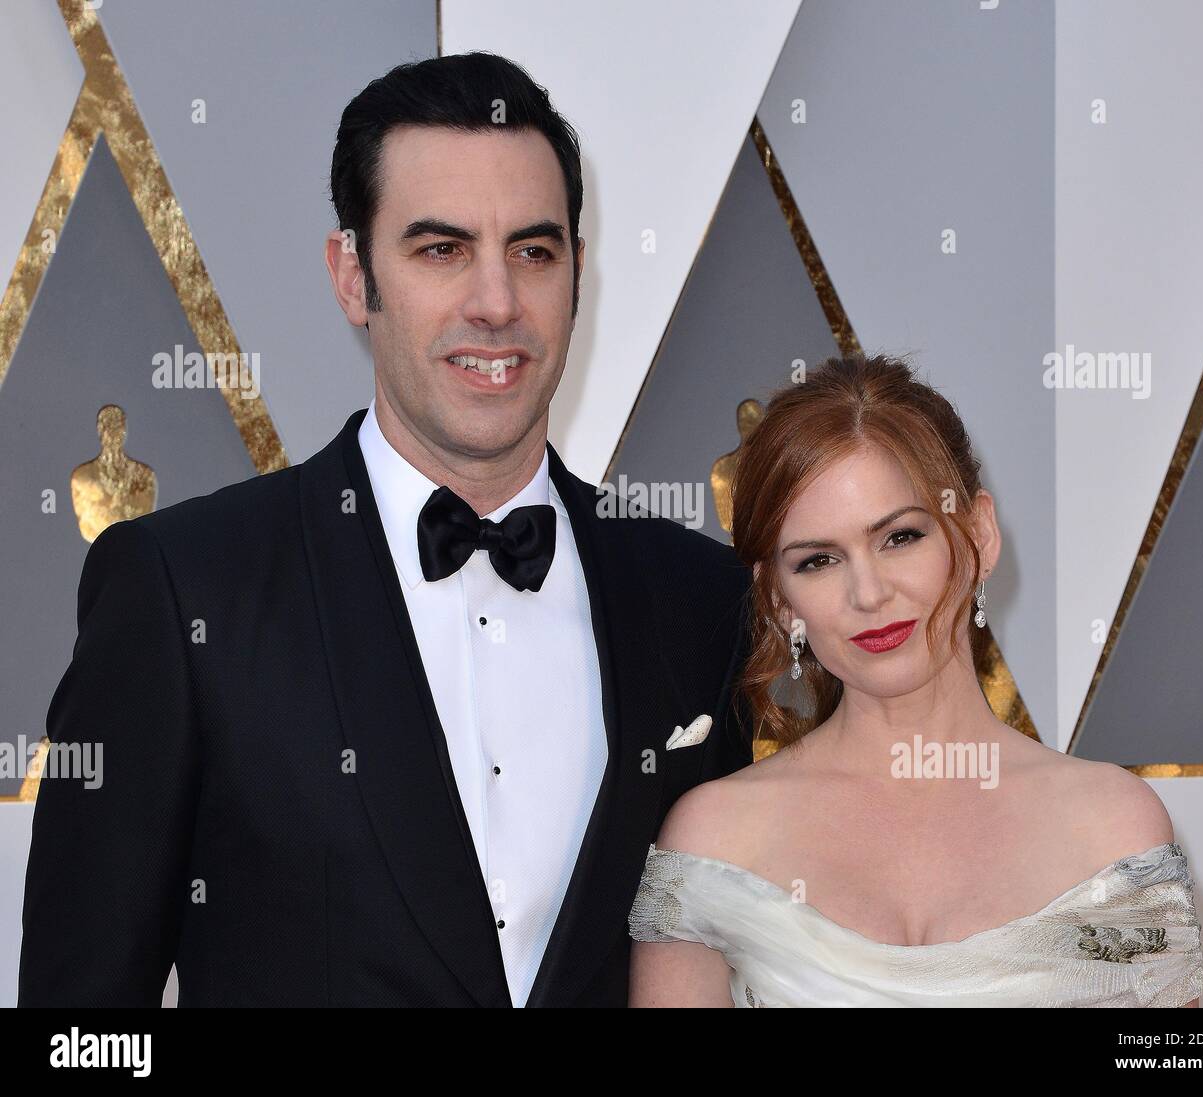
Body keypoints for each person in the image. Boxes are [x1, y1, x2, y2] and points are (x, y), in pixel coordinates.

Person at [18, 52, 752, 1008]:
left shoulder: (700, 599)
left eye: (534, 250)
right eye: (441, 250)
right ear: (352, 276)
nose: (497, 303)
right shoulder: (182, 589)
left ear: (579, 272)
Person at [628, 354, 1203, 1007]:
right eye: (818, 559)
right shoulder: (715, 843)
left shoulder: (1112, 832)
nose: (869, 592)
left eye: (899, 537)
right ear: (780, 598)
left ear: (979, 533)